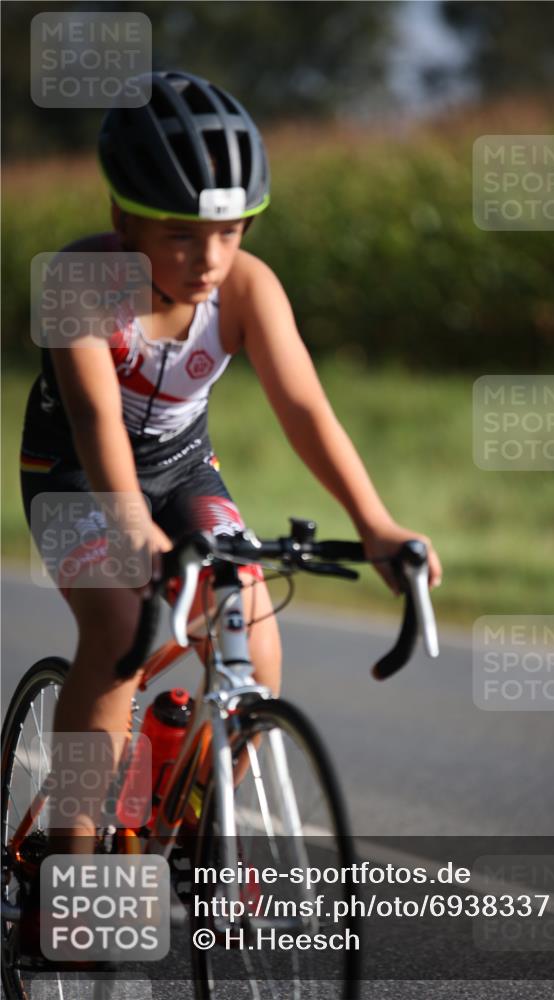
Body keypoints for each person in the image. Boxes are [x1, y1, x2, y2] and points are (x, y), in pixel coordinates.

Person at [18, 69, 441, 949]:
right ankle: (67, 870)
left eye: (229, 230)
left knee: (249, 610)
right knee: (120, 630)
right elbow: (98, 421)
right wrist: (129, 531)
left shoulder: (247, 286)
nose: (208, 259)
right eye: (181, 235)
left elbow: (305, 409)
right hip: (74, 475)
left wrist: (377, 523)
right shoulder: (75, 281)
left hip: (180, 469)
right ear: (124, 216)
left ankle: (204, 814)